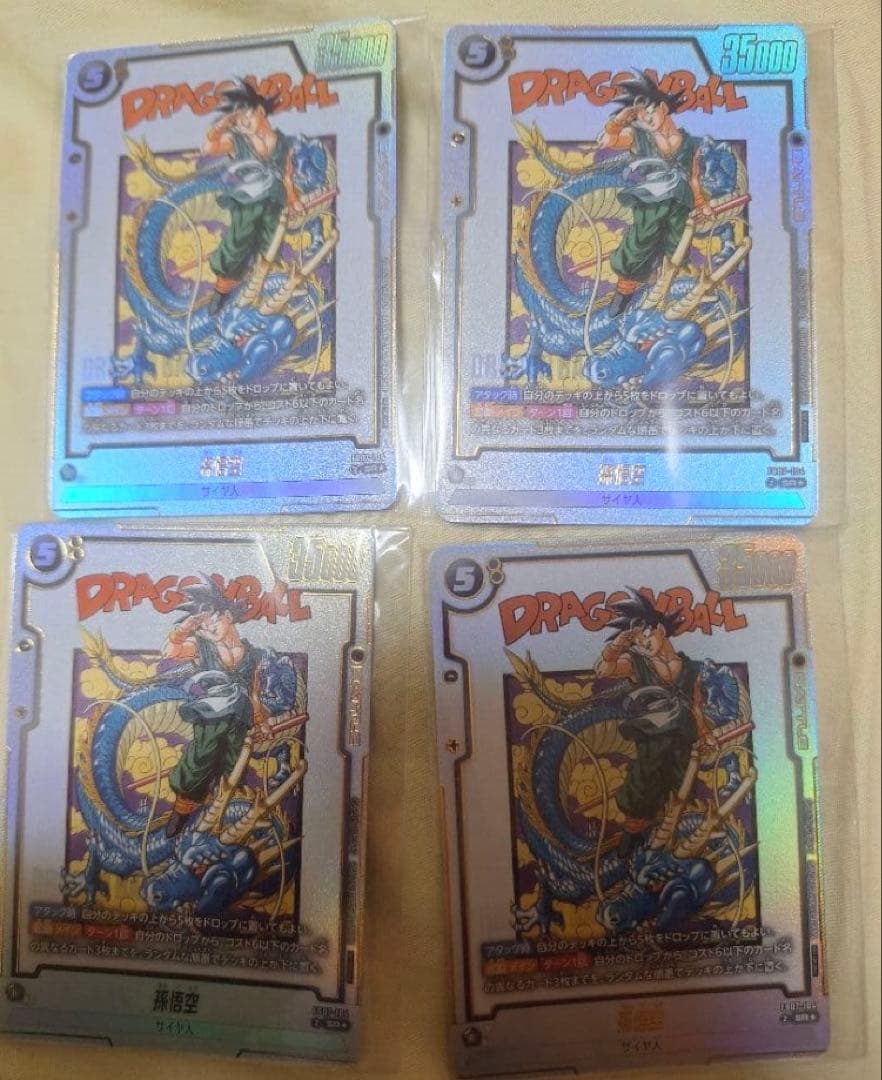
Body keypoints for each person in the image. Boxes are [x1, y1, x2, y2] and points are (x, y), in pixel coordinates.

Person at [162, 579, 298, 838]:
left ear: (227, 615)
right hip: (212, 717)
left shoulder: (254, 654)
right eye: (202, 625)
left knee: (233, 766)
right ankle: (181, 813)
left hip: (240, 719)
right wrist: (185, 629)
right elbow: (170, 652)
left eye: (212, 619)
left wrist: (261, 721)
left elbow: (254, 692)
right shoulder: (201, 646)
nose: (208, 628)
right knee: (200, 761)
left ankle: (219, 816)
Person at [596, 590, 719, 858]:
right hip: (653, 740)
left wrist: (704, 733)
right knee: (642, 789)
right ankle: (630, 846)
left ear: (660, 629)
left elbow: (696, 705)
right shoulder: (637, 663)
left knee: (679, 791)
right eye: (637, 642)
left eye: (646, 635)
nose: (644, 643)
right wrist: (617, 646)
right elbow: (603, 670)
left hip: (683, 741)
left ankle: (664, 848)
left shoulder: (690, 668)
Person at [597, 71, 713, 317]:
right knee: (640, 243)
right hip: (652, 199)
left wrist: (701, 203)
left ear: (663, 107)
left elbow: (693, 177)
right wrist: (619, 120)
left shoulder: (690, 143)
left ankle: (664, 297)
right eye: (640, 116)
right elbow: (606, 141)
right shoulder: (637, 136)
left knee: (676, 248)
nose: (646, 119)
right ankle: (624, 294)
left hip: (681, 202)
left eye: (649, 111)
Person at [201, 81, 304, 312]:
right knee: (236, 245)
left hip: (274, 203)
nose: (243, 123)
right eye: (238, 120)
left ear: (260, 111)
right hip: (248, 203)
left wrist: (294, 200)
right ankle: (220, 294)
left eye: (245, 116)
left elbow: (287, 176)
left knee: (269, 249)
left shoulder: (283, 143)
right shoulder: (236, 141)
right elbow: (208, 148)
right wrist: (222, 125)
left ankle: (256, 299)